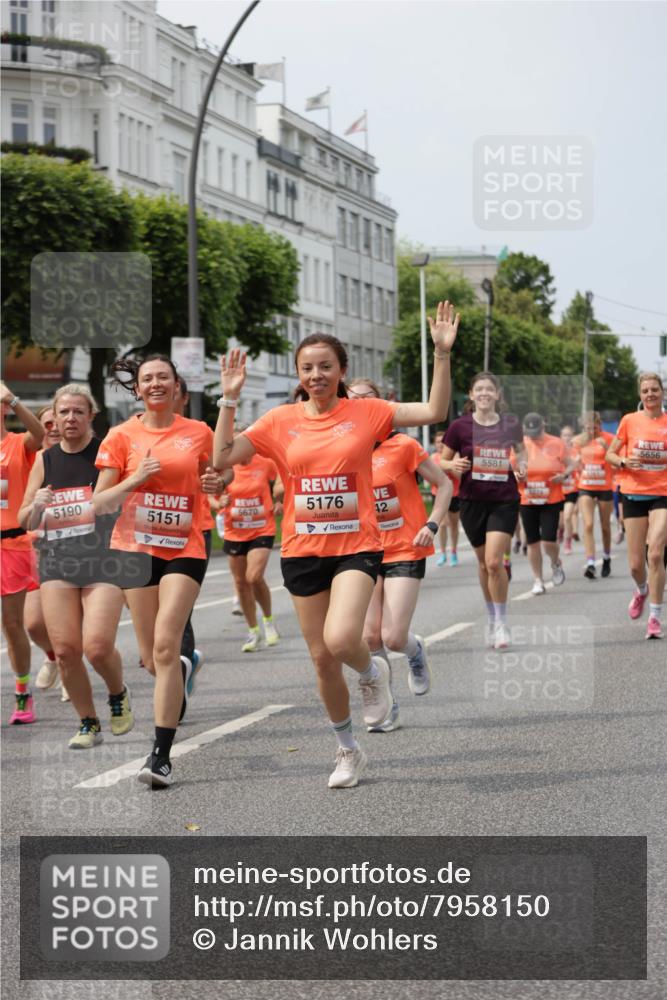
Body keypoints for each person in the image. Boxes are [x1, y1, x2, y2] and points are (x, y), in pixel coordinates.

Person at [213, 301, 460, 788]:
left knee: (343, 640)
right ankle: (348, 749)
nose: (317, 375)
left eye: (326, 366)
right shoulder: (279, 421)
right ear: (299, 374)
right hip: (303, 549)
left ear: (342, 370)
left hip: (356, 546)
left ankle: (372, 673)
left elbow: (434, 410)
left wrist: (441, 354)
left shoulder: (366, 413)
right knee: (322, 658)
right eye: (308, 368)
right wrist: (228, 399)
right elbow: (222, 456)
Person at [93, 354, 215, 786]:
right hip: (134, 549)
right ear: (138, 389)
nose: (156, 383)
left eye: (164, 376)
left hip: (185, 545)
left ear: (177, 385)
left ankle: (160, 755)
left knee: (165, 646)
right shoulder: (121, 435)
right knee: (150, 658)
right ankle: (183, 667)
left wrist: (220, 482)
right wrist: (135, 478)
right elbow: (100, 501)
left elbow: (220, 475)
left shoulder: (199, 432)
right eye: (148, 379)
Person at [19, 384, 134, 748]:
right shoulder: (45, 459)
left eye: (77, 412)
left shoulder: (106, 453)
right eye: (63, 412)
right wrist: (37, 504)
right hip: (58, 564)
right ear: (53, 416)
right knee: (66, 650)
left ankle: (117, 693)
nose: (69, 419)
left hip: (104, 562)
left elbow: (112, 503)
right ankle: (88, 723)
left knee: (97, 647)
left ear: (90, 417)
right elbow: (25, 519)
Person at [348, 378, 452, 721]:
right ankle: (387, 704)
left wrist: (432, 524)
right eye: (353, 399)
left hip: (405, 548)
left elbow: (444, 484)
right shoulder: (344, 448)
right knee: (368, 635)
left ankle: (414, 650)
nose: (360, 403)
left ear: (381, 404)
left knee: (392, 637)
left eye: (368, 398)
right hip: (364, 550)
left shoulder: (403, 445)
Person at [441, 372, 526, 650]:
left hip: (504, 499)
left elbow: (521, 451)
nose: (485, 394)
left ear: (497, 395)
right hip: (471, 501)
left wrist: (522, 466)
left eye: (490, 389)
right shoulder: (459, 427)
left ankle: (501, 624)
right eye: (480, 389)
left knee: (493, 562)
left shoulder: (510, 424)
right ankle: (492, 618)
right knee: (482, 564)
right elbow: (442, 461)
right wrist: (453, 467)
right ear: (471, 395)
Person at [172, 376, 230, 694]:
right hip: (143, 537)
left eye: (171, 388)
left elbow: (226, 468)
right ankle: (185, 658)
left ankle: (177, 678)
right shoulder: (128, 433)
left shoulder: (198, 432)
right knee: (153, 617)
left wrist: (219, 483)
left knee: (181, 611)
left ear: (181, 397)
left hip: (193, 531)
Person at [606, 372, 667, 639]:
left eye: (655, 389)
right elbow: (611, 453)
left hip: (662, 493)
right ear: (640, 395)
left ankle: (654, 617)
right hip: (633, 494)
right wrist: (621, 462)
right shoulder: (630, 420)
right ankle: (641, 589)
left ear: (662, 392)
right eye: (645, 390)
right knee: (634, 564)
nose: (650, 394)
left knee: (654, 554)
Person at [0, 380, 45, 724]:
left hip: (13, 545)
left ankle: (22, 691)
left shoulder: (18, 444)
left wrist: (13, 398)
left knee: (15, 624)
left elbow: (41, 436)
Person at [220, 424, 281, 653]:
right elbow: (211, 497)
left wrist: (278, 500)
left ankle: (268, 621)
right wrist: (219, 503)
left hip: (261, 528)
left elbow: (282, 480)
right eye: (233, 444)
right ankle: (253, 630)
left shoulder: (265, 462)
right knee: (240, 583)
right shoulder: (225, 467)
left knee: (254, 577)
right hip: (235, 531)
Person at [24, 405, 61, 695]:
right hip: (37, 550)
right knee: (35, 623)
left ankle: (69, 663)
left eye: (56, 420)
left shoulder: (90, 456)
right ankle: (54, 657)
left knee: (75, 625)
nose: (54, 427)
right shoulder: (33, 458)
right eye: (46, 423)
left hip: (81, 554)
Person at [517, 413, 570, 595]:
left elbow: (571, 465)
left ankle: (555, 562)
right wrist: (517, 476)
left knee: (548, 540)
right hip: (527, 498)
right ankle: (538, 579)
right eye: (529, 431)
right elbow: (511, 469)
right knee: (532, 542)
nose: (533, 435)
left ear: (544, 425)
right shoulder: (519, 445)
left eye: (536, 431)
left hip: (551, 498)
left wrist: (563, 475)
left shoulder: (556, 443)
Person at [572, 412, 615, 579]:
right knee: (588, 524)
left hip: (604, 486)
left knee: (605, 527)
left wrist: (606, 448)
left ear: (600, 424)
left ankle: (606, 558)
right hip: (586, 486)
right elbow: (572, 463)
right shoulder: (578, 441)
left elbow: (616, 463)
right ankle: (590, 563)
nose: (591, 430)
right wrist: (575, 461)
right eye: (587, 427)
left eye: (594, 427)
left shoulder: (609, 438)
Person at [431, 429, 461, 567]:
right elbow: (429, 479)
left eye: (443, 442)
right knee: (442, 524)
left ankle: (453, 551)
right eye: (437, 442)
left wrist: (449, 468)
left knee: (453, 525)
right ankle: (443, 553)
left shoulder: (454, 457)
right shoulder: (432, 458)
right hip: (438, 494)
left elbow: (460, 476)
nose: (440, 445)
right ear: (434, 444)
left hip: (454, 494)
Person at [559, 424, 580, 556]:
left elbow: (580, 467)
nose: (567, 438)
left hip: (572, 489)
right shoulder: (555, 451)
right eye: (564, 435)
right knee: (560, 521)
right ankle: (560, 531)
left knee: (567, 517)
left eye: (569, 435)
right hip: (557, 490)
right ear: (560, 437)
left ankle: (568, 542)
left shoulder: (576, 451)